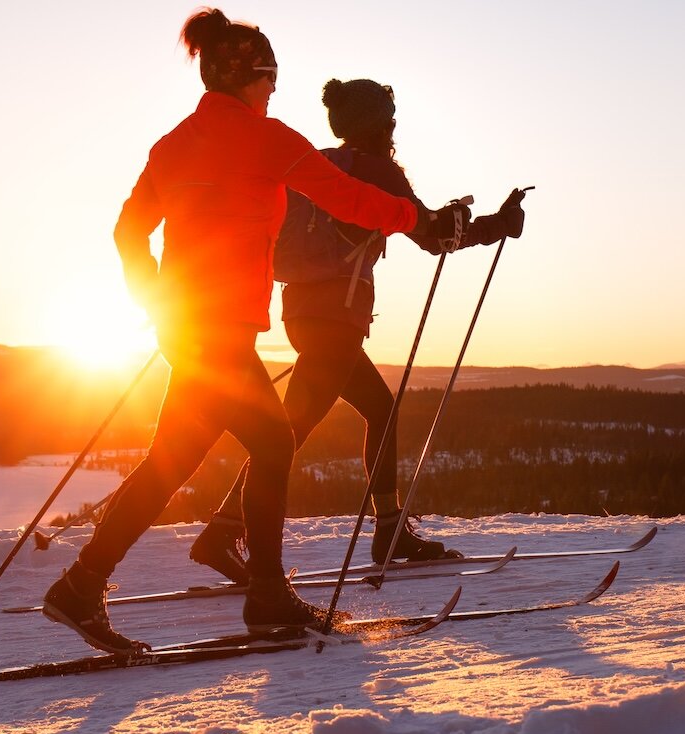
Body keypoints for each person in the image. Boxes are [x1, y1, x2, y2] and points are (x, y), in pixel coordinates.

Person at [41, 9, 470, 653]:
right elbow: (348, 198)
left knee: (169, 464)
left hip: (187, 330)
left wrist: (157, 303)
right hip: (217, 332)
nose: (273, 92)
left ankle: (79, 587)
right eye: (270, 79)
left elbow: (128, 231)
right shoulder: (265, 138)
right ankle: (266, 597)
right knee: (271, 444)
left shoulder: (174, 143)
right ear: (250, 77)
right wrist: (421, 220)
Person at [189, 77, 527, 585]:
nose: (393, 126)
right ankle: (225, 531)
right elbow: (433, 236)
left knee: (372, 410)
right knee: (285, 434)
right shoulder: (380, 171)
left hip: (301, 315)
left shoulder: (321, 164)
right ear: (382, 124)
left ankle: (387, 528)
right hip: (337, 321)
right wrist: (498, 225)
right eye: (390, 118)